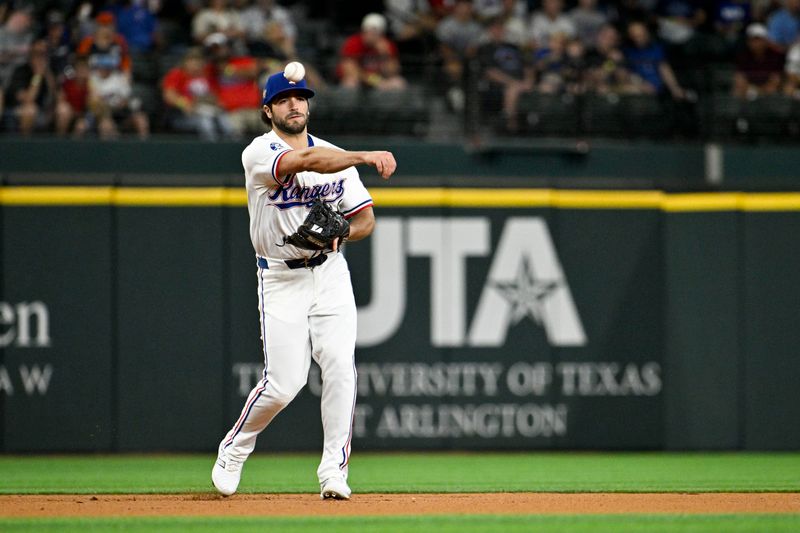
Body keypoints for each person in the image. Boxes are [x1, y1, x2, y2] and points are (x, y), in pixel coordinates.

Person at [211, 65, 397, 500]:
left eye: (301, 97)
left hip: (329, 270)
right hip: (280, 277)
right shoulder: (259, 152)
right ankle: (234, 448)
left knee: (340, 368)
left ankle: (334, 471)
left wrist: (341, 233)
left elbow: (365, 219)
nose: (295, 104)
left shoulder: (335, 155)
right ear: (267, 110)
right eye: (283, 99)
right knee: (285, 383)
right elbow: (305, 162)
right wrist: (364, 156)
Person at [161, 46, 234, 140]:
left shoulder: (207, 76)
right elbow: (169, 95)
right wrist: (184, 104)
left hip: (207, 110)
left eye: (198, 62)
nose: (196, 66)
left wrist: (212, 103)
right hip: (183, 116)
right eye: (192, 62)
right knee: (205, 122)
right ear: (185, 63)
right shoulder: (177, 74)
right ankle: (212, 150)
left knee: (226, 122)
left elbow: (216, 97)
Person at [337, 13, 407, 90]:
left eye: (375, 32)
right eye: (368, 31)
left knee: (398, 82)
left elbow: (393, 72)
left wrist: (385, 54)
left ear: (381, 34)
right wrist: (375, 81)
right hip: (361, 80)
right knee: (350, 84)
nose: (370, 35)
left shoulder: (387, 45)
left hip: (380, 80)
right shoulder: (353, 42)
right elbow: (350, 71)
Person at [734, 23, 785, 97]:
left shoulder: (775, 55)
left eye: (759, 40)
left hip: (768, 91)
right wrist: (752, 91)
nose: (756, 43)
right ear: (748, 42)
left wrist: (760, 92)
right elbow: (739, 78)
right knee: (737, 90)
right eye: (753, 40)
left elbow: (776, 79)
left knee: (774, 90)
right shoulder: (742, 55)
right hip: (748, 89)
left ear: (766, 40)